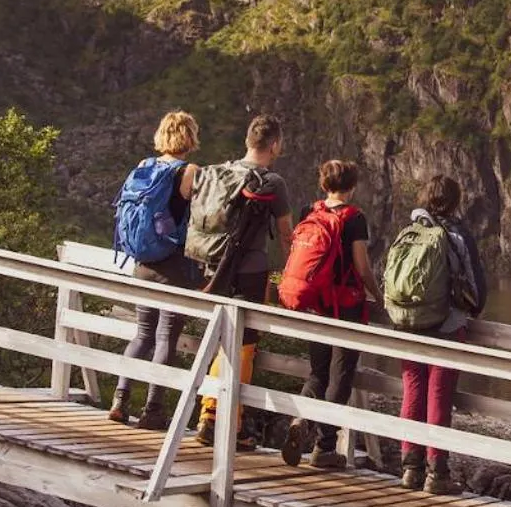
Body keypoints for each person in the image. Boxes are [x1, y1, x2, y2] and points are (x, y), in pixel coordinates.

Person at [186, 114, 293, 450]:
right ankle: (224, 421)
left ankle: (210, 414)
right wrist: (290, 276)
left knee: (222, 340)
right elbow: (287, 235)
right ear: (274, 145)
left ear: (248, 140)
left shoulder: (219, 172)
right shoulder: (272, 182)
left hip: (213, 265)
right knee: (244, 344)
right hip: (249, 271)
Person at [383, 175, 486, 494]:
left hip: (407, 323)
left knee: (412, 390)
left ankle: (410, 469)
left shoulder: (409, 231)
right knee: (439, 395)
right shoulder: (457, 235)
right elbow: (476, 288)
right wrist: (471, 310)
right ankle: (437, 473)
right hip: (446, 325)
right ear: (455, 201)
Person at [279, 159, 378, 470]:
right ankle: (324, 448)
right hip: (346, 305)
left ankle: (300, 419)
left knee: (317, 373)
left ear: (324, 184)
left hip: (316, 303)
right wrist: (379, 296)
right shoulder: (354, 218)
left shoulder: (310, 212)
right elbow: (362, 267)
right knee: (340, 376)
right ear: (352, 186)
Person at [107, 111, 203, 427]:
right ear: (189, 137)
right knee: (165, 339)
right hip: (174, 266)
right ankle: (153, 410)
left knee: (143, 335)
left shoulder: (144, 166)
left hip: (143, 264)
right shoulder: (190, 172)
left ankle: (120, 400)